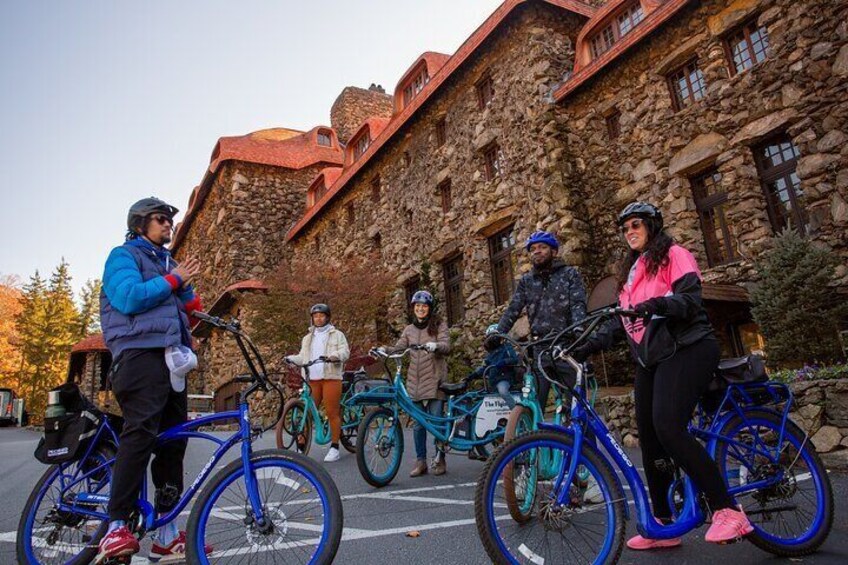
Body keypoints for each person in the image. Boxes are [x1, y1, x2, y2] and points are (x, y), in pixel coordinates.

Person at [572, 201, 753, 549]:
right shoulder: (631, 274)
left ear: (653, 226)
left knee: (669, 426)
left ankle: (729, 510)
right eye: (625, 228)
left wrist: (656, 305)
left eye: (636, 224)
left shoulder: (674, 255)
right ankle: (663, 523)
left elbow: (689, 300)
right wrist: (581, 347)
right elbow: (619, 322)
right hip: (651, 359)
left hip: (689, 347)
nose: (630, 232)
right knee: (651, 436)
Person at [97, 197, 205, 564]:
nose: (168, 225)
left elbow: (186, 305)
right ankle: (115, 528)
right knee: (141, 430)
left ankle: (166, 532)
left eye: (170, 221)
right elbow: (128, 298)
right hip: (139, 355)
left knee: (174, 443)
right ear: (140, 223)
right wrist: (174, 278)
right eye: (161, 219)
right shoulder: (124, 256)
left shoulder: (166, 262)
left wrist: (188, 294)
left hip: (172, 359)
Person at [488, 230, 587, 410]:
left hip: (565, 347)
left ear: (554, 251)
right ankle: (538, 437)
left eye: (542, 247)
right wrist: (497, 333)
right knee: (535, 405)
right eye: (533, 249)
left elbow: (578, 304)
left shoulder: (569, 274)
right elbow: (513, 309)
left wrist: (579, 330)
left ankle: (582, 436)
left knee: (576, 406)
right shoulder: (527, 281)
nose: (537, 251)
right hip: (540, 350)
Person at [385, 290, 450, 477]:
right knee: (418, 425)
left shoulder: (439, 326)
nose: (420, 309)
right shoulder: (409, 330)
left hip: (435, 380)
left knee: (437, 422)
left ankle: (440, 458)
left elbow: (446, 346)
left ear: (429, 308)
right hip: (415, 382)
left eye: (424, 306)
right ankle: (421, 461)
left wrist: (435, 345)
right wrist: (383, 349)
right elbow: (399, 348)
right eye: (417, 306)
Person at [285, 303, 350, 462]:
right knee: (306, 413)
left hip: (331, 377)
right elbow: (303, 357)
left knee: (331, 412)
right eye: (315, 316)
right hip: (312, 379)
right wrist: (291, 359)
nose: (318, 318)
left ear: (327, 317)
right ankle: (301, 446)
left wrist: (335, 356)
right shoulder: (307, 338)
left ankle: (334, 447)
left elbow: (345, 351)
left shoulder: (337, 335)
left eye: (321, 315)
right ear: (312, 318)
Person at [468, 324, 519, 410]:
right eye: (490, 336)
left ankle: (516, 412)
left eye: (495, 336)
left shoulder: (506, 348)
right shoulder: (490, 354)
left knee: (503, 392)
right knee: (476, 396)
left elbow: (514, 359)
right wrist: (472, 376)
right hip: (492, 381)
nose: (493, 339)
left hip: (504, 378)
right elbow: (484, 367)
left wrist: (504, 362)